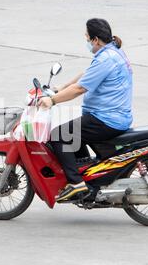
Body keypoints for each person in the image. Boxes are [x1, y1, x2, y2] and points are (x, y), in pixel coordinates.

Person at [37, 18, 133, 203]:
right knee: (74, 135)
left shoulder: (106, 58)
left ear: (96, 40)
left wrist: (53, 100)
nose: (87, 42)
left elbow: (80, 89)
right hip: (111, 116)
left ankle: (76, 184)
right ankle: (89, 182)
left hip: (106, 120)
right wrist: (59, 88)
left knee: (60, 134)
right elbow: (86, 75)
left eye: (87, 38)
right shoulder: (112, 52)